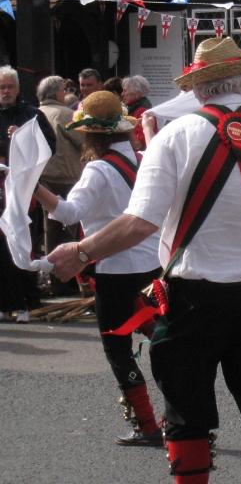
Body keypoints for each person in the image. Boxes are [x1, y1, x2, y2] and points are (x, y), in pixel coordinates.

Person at [47, 37, 241, 484]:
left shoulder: (174, 136)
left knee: (187, 419)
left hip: (196, 298)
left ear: (198, 91)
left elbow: (139, 223)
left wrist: (80, 252)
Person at [34, 90, 164, 446]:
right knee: (163, 339)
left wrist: (34, 186)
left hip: (115, 269)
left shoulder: (98, 168)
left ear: (92, 134)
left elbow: (68, 213)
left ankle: (148, 425)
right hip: (151, 267)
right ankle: (181, 412)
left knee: (118, 348)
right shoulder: (140, 159)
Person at [0, 66, 56, 322]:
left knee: (22, 243)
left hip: (23, 189)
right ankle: (5, 302)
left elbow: (48, 147)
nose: (5, 92)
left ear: (18, 88)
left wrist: (22, 140)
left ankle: (27, 302)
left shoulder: (32, 115)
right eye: (1, 87)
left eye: (10, 86)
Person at [36, 75, 84, 296]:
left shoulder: (37, 113)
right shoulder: (65, 114)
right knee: (67, 229)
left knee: (48, 229)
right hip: (65, 176)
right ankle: (64, 279)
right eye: (63, 91)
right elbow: (83, 142)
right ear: (57, 93)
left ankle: (52, 279)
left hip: (43, 177)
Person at [121, 75, 153, 150]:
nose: (122, 94)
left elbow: (139, 142)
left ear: (136, 93)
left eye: (125, 90)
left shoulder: (142, 111)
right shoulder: (132, 108)